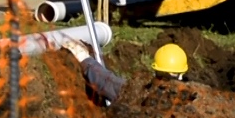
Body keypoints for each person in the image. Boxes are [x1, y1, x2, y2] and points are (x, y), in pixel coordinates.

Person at [60, 39, 189, 104]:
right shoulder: (195, 102)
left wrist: (84, 58)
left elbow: (108, 83)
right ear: (182, 74)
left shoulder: (142, 96)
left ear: (155, 70)